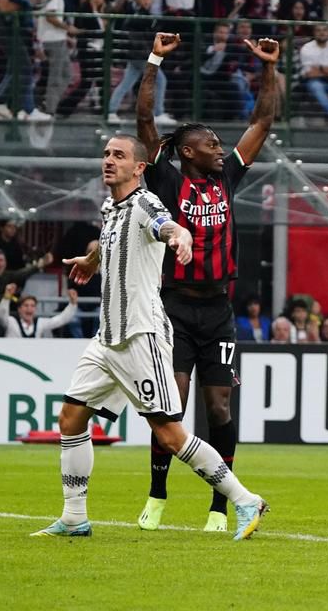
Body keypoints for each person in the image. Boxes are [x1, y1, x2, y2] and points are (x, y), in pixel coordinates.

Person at [31, 132, 266, 540]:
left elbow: (167, 226)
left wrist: (182, 238)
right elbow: (114, 241)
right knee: (70, 418)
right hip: (108, 338)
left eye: (118, 155)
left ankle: (245, 500)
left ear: (140, 167)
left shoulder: (145, 203)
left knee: (170, 434)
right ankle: (74, 518)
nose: (108, 160)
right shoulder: (112, 206)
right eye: (105, 153)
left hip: (142, 336)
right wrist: (92, 259)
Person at [134, 32, 279, 532]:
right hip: (173, 307)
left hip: (218, 312)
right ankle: (156, 494)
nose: (221, 150)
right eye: (211, 145)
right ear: (187, 152)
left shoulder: (227, 178)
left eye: (220, 144)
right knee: (171, 404)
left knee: (219, 408)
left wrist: (269, 67)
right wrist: (154, 60)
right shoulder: (168, 180)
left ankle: (221, 506)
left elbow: (263, 120)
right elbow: (145, 122)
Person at [0, 284, 78, 337]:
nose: (29, 308)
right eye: (26, 305)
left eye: (32, 306)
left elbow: (60, 320)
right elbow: (1, 314)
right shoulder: (11, 322)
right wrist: (6, 297)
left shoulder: (40, 323)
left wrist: (72, 304)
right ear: (19, 309)